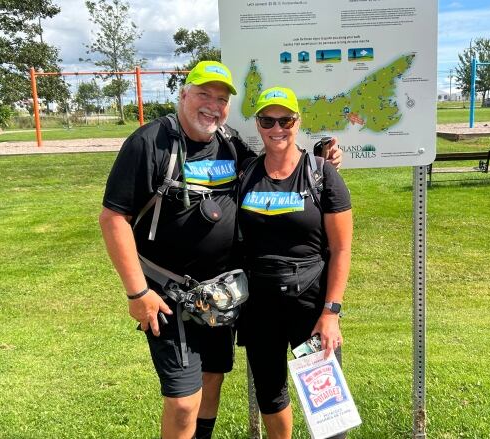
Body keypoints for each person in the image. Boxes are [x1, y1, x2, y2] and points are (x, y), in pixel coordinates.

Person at [99, 62, 340, 439]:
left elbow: (274, 166)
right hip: (169, 296)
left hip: (221, 296)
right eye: (203, 95)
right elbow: (113, 218)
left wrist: (318, 159)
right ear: (183, 95)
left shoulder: (228, 143)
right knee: (182, 401)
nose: (213, 105)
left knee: (211, 380)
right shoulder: (150, 142)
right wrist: (137, 292)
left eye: (221, 99)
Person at [237, 87, 353, 439]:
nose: (277, 128)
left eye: (285, 119)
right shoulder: (244, 174)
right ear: (257, 124)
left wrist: (331, 313)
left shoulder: (321, 174)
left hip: (310, 305)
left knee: (328, 405)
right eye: (268, 120)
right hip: (259, 306)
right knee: (270, 396)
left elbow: (342, 249)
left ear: (297, 121)